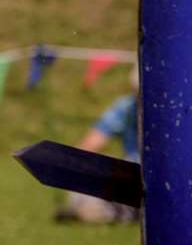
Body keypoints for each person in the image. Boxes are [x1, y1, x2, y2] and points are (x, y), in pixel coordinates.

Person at [56, 71, 140, 224]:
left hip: (156, 177)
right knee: (89, 172)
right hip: (132, 172)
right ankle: (94, 210)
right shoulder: (126, 107)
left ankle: (109, 212)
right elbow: (94, 140)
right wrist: (72, 162)